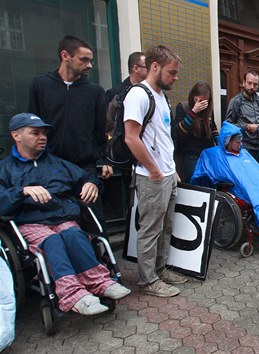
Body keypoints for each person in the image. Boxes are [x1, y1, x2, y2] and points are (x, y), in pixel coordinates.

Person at [0, 113, 130, 315]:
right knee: (52, 241)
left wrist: (91, 184)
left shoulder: (57, 163)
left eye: (44, 133)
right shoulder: (5, 169)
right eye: (35, 133)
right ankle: (72, 294)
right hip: (31, 223)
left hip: (63, 217)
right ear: (16, 135)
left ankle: (100, 283)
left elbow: (87, 178)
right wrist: (22, 191)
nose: (42, 137)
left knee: (74, 234)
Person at [27, 35, 113, 231]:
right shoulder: (40, 85)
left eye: (91, 60)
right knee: (57, 224)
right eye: (84, 59)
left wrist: (104, 160)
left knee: (94, 224)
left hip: (85, 169)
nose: (89, 65)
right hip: (50, 167)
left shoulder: (95, 91)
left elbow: (102, 130)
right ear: (65, 56)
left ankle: (100, 261)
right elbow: (32, 125)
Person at [123, 45, 187, 298]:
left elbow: (161, 138)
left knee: (166, 226)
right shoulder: (138, 95)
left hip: (167, 174)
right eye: (172, 73)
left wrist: (171, 170)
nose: (175, 77)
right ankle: (148, 280)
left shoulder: (161, 96)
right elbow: (131, 137)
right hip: (152, 177)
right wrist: (154, 169)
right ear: (154, 67)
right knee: (150, 229)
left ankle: (160, 271)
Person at [191, 122, 259, 244]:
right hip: (238, 186)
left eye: (241, 141)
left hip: (256, 182)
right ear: (228, 141)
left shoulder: (243, 153)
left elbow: (257, 170)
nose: (240, 144)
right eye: (237, 142)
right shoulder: (217, 155)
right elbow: (211, 172)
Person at [173, 82, 219, 183]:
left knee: (209, 184)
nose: (201, 103)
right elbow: (178, 132)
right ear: (193, 96)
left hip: (208, 154)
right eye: (198, 100)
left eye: (204, 101)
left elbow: (213, 128)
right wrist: (193, 112)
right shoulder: (183, 107)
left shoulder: (208, 110)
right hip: (190, 155)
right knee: (194, 184)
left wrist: (219, 143)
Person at [226, 71, 259, 163]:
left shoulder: (258, 100)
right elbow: (228, 125)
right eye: (249, 83)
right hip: (244, 147)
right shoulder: (236, 101)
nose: (252, 87)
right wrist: (246, 127)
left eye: (255, 84)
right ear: (243, 83)